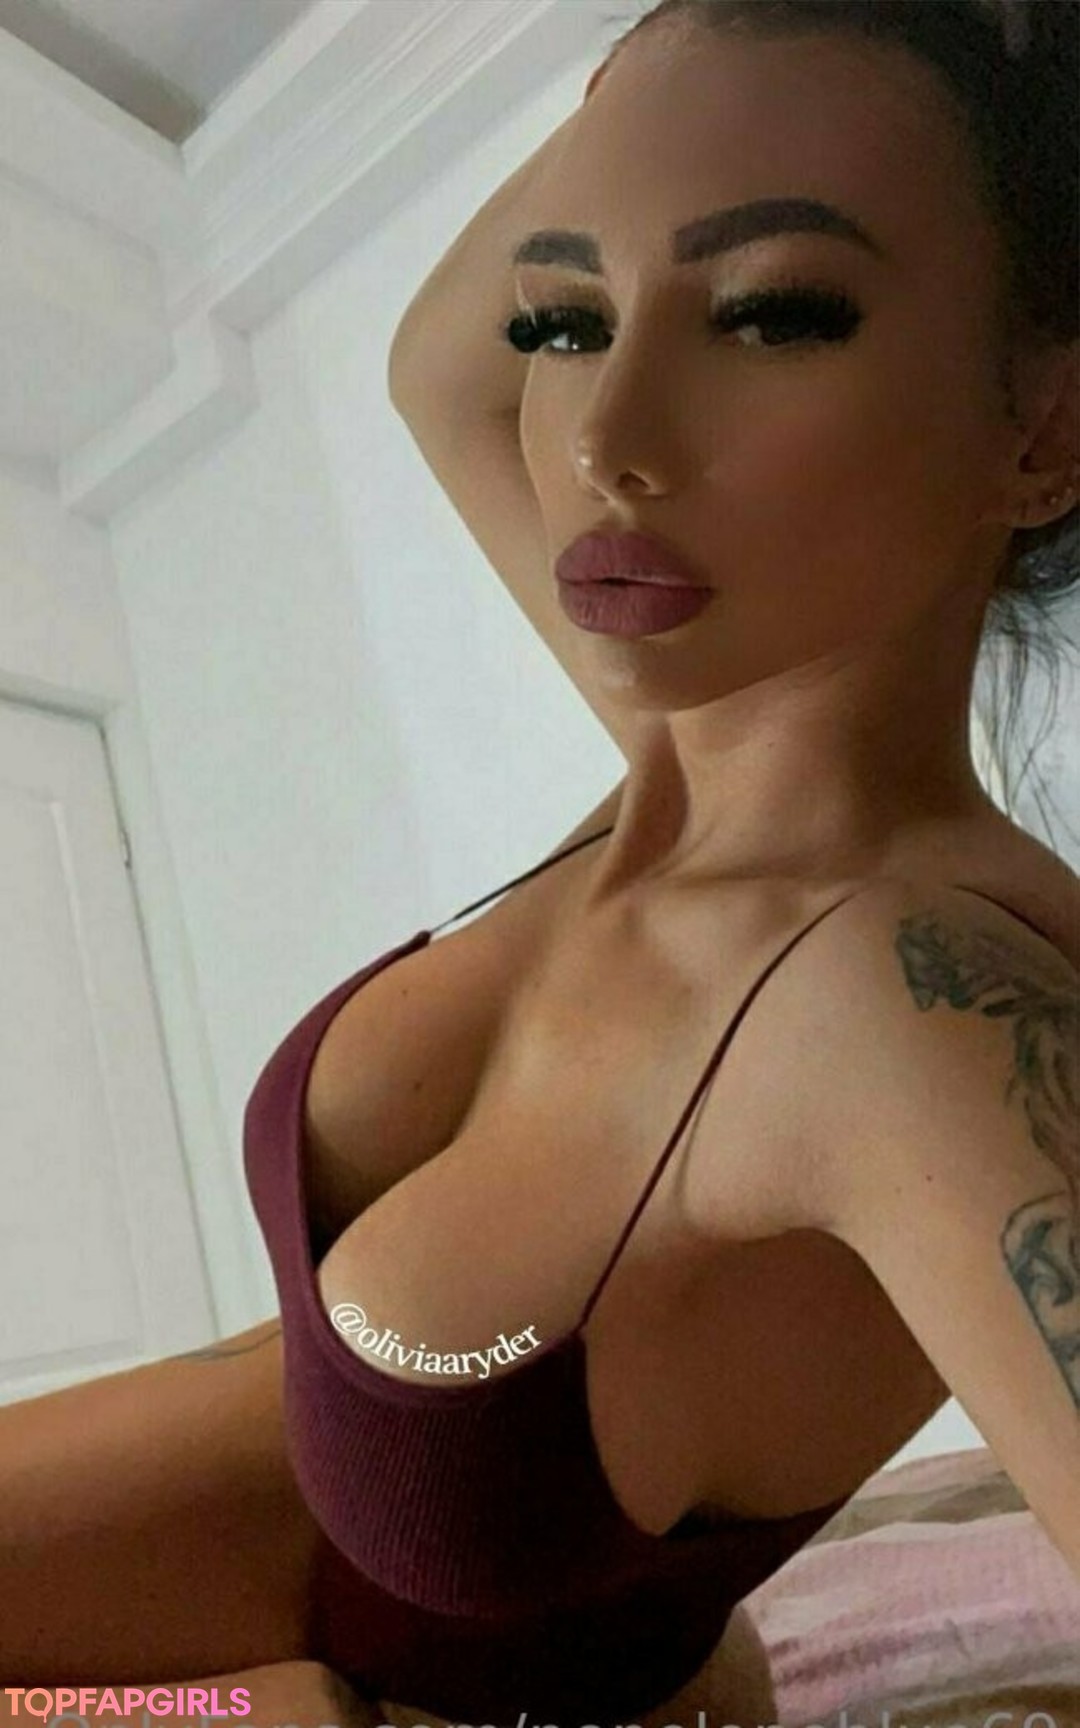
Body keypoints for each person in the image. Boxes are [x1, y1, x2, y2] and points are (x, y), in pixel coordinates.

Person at [2, 4, 1077, 1726]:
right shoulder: (687, 749)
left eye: (772, 311)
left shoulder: (914, 1006)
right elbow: (445, 363)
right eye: (572, 318)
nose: (598, 438)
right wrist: (674, 70)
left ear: (1042, 429)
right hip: (273, 1491)